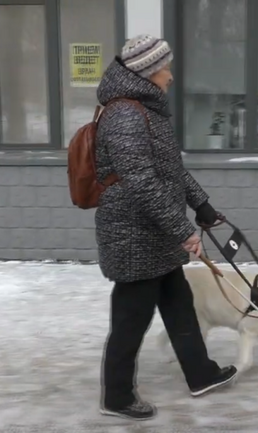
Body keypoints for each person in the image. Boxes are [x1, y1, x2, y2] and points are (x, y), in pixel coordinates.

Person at [93, 34, 238, 421]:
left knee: (179, 305)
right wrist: (182, 229)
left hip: (155, 234)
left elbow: (170, 172)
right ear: (147, 72)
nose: (170, 76)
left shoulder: (146, 110)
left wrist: (201, 205)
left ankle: (200, 373)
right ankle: (117, 397)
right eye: (165, 68)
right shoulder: (125, 114)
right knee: (130, 319)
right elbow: (140, 180)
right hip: (134, 236)